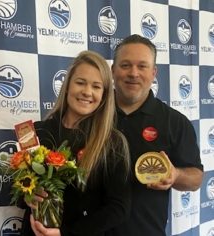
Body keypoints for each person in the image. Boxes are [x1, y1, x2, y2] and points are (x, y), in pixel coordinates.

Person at [23, 50, 131, 236]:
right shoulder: (35, 132)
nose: (87, 92)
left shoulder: (113, 142)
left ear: (104, 95)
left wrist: (66, 233)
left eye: (96, 86)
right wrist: (28, 195)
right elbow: (18, 188)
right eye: (80, 82)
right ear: (67, 86)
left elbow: (118, 208)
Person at [111, 34, 204, 235]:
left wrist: (176, 175)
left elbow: (196, 178)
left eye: (142, 66)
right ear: (113, 70)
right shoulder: (93, 114)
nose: (133, 73)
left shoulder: (174, 122)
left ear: (154, 73)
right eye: (125, 65)